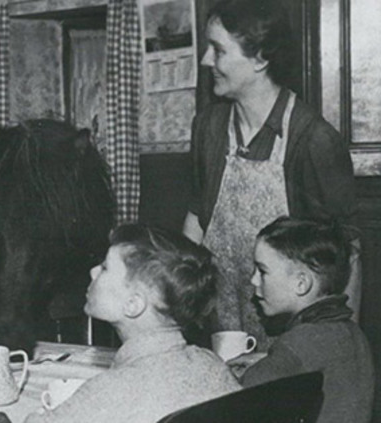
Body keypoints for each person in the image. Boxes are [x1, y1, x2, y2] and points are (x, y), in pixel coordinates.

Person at [183, 0, 358, 348]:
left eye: (217, 50)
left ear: (260, 58)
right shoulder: (208, 128)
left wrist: (342, 350)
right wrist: (181, 310)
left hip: (293, 343)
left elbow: (348, 255)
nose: (206, 61)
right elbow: (196, 222)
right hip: (219, 329)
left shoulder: (314, 140)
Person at [25, 224, 240, 423]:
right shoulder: (212, 365)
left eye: (105, 267)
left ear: (133, 304)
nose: (92, 271)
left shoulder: (109, 392)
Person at [229, 216, 374, 422]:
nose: (253, 280)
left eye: (262, 271)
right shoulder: (353, 333)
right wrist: (267, 360)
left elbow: (238, 400)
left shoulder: (299, 342)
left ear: (301, 283)